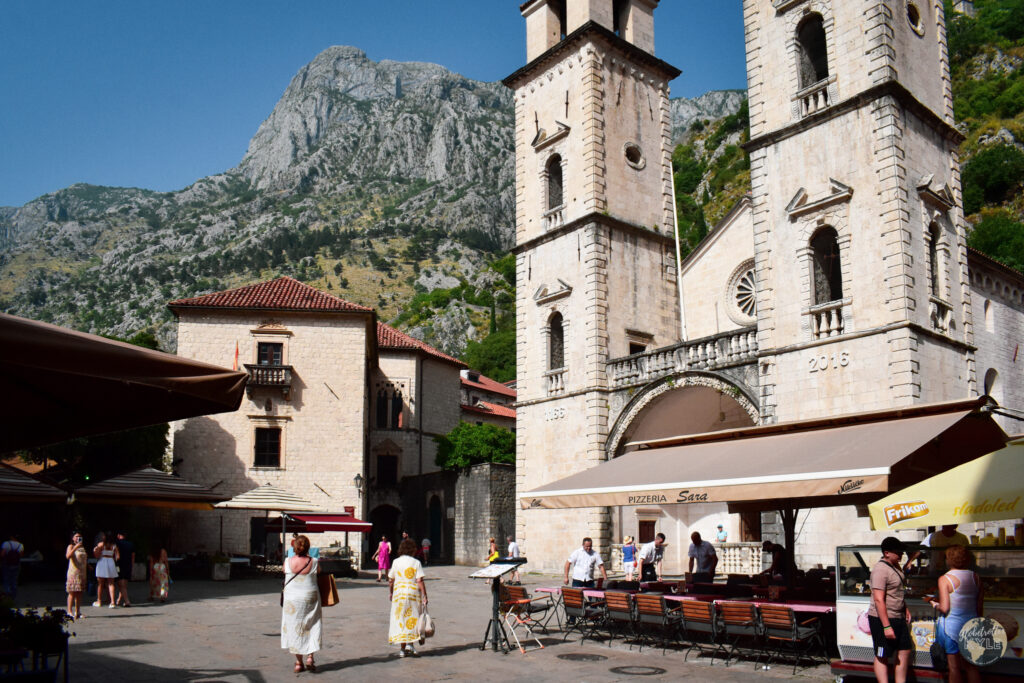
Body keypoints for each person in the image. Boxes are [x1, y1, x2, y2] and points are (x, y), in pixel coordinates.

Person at [928, 545, 983, 683]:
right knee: (971, 667)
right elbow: (979, 607)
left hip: (951, 628)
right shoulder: (976, 577)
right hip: (971, 626)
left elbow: (945, 608)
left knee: (954, 668)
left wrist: (934, 604)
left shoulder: (945, 579)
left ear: (948, 560)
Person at [868, 537, 912, 683]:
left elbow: (897, 591)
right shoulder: (880, 570)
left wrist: (904, 607)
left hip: (898, 616)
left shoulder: (895, 566)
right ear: (886, 553)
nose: (901, 555)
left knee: (905, 650)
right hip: (882, 618)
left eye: (902, 552)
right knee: (882, 654)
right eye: (898, 552)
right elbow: (878, 599)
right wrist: (886, 626)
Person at [281, 534, 321, 673]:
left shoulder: (287, 561)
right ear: (308, 547)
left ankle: (298, 662)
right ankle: (310, 657)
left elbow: (283, 571)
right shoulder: (314, 561)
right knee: (312, 624)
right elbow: (320, 572)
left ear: (295, 547)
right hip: (310, 596)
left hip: (292, 599)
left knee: (294, 627)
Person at [388, 538, 428, 657]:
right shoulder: (416, 562)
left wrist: (391, 592)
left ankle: (402, 649)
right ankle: (411, 645)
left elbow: (391, 580)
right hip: (412, 594)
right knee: (412, 619)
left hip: (399, 594)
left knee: (400, 619)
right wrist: (425, 595)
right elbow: (419, 580)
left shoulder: (396, 562)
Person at [905, 525, 970, 574]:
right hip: (935, 571)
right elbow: (920, 549)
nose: (947, 527)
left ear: (955, 526)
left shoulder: (962, 538)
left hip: (955, 572)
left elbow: (968, 555)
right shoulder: (933, 536)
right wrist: (909, 561)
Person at [93, 532, 119, 608]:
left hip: (102, 561)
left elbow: (97, 555)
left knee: (100, 584)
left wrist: (95, 550)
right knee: (111, 583)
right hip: (111, 562)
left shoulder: (101, 544)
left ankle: (99, 601)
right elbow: (118, 557)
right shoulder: (114, 546)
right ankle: (112, 602)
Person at [65, 532, 88, 619]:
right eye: (76, 536)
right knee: (72, 592)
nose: (78, 538)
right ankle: (69, 611)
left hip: (82, 572)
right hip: (73, 572)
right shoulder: (70, 546)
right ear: (73, 538)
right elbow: (68, 556)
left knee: (79, 592)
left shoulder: (82, 547)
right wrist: (75, 547)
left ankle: (78, 611)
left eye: (80, 536)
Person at [0, 533, 24, 600]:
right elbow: (21, 555)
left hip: (7, 564)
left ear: (11, 537)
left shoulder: (6, 543)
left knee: (6, 579)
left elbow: (2, 554)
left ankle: (7, 594)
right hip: (16, 564)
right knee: (14, 580)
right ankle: (13, 596)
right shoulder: (20, 545)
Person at [114, 531, 134, 607]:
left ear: (118, 535)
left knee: (121, 584)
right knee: (124, 584)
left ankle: (127, 601)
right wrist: (131, 566)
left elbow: (116, 556)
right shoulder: (130, 544)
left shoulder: (117, 543)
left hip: (119, 565)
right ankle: (119, 600)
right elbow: (133, 556)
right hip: (128, 565)